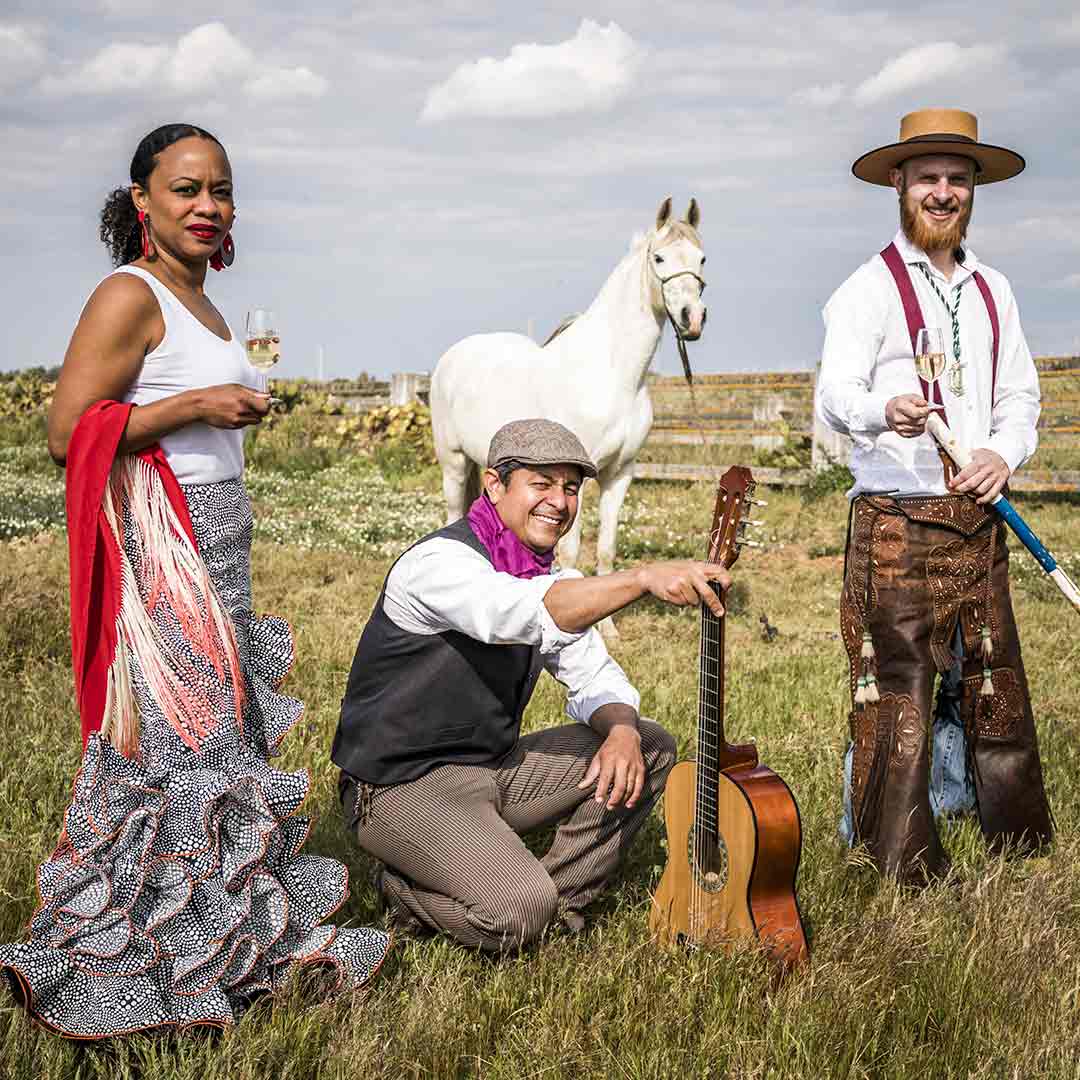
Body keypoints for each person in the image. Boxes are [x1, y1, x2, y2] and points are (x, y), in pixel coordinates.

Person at [0, 124, 389, 1039]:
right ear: (143, 202)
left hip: (222, 540)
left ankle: (221, 946)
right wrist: (195, 405)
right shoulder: (128, 296)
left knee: (222, 741)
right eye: (185, 190)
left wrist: (217, 411)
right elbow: (67, 432)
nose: (207, 206)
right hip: (162, 545)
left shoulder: (208, 306)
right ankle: (141, 961)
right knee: (184, 749)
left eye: (220, 190)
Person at [333, 418, 732, 951]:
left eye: (570, 488)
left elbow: (592, 673)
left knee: (648, 742)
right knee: (518, 909)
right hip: (398, 787)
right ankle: (407, 892)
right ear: (495, 486)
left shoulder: (548, 576)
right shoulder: (437, 564)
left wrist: (621, 732)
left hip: (492, 769)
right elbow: (517, 612)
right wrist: (639, 578)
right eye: (541, 484)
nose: (560, 502)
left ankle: (558, 907)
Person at [816, 108, 1052, 883]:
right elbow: (833, 396)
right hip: (898, 522)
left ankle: (1016, 842)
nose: (943, 192)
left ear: (973, 187)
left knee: (994, 685)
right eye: (928, 178)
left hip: (978, 520)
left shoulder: (995, 290)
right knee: (902, 692)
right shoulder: (864, 291)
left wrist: (999, 453)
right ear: (899, 184)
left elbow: (1019, 397)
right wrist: (884, 411)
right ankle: (898, 861)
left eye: (957, 178)